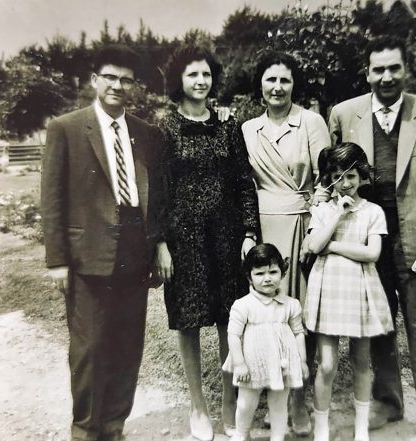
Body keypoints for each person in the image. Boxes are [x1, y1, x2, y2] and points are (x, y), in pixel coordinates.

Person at [328, 36, 416, 441]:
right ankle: (387, 403)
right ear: (367, 73)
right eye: (378, 69)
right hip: (368, 240)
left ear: (406, 70)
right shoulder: (344, 114)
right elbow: (336, 180)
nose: (386, 77)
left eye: (394, 68)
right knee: (376, 327)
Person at [41, 45, 158, 441]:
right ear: (94, 80)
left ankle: (114, 427)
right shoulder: (67, 128)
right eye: (110, 76)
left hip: (133, 252)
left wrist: (156, 247)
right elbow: (52, 198)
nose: (117, 85)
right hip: (86, 255)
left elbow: (155, 196)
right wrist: (57, 259)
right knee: (90, 352)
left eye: (126, 79)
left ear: (134, 86)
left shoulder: (145, 133)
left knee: (128, 347)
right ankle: (85, 431)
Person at [148, 45, 260, 441]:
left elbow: (244, 183)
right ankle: (198, 407)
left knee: (231, 321)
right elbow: (157, 192)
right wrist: (159, 243)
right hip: (184, 242)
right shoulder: (164, 129)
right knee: (190, 323)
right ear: (179, 80)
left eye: (207, 75)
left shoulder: (229, 127)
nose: (200, 81)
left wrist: (249, 233)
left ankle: (231, 409)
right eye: (193, 74)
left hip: (227, 239)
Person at [240, 50, 330, 434]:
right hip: (262, 231)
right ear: (260, 84)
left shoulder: (310, 121)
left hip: (301, 228)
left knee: (297, 316)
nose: (278, 87)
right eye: (271, 79)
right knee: (266, 317)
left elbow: (326, 181)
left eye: (285, 80)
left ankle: (298, 401)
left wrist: (315, 230)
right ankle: (269, 393)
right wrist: (247, 233)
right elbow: (244, 188)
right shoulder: (246, 130)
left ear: (295, 85)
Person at [304, 142, 394, 441]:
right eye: (338, 176)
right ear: (328, 178)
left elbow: (372, 254)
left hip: (359, 289)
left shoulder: (373, 212)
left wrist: (335, 246)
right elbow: (314, 246)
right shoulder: (321, 211)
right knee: (327, 364)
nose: (346, 183)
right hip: (328, 289)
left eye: (352, 176)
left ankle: (360, 427)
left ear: (362, 176)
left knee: (361, 361)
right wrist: (338, 216)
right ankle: (321, 427)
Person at [222, 243, 310, 441]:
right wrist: (240, 363)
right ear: (249, 277)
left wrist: (302, 360)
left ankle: (278, 437)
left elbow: (298, 333)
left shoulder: (291, 305)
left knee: (279, 404)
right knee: (246, 403)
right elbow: (233, 335)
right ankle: (242, 434)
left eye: (273, 271)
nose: (267, 278)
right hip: (251, 365)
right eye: (260, 273)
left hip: (282, 363)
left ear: (283, 272)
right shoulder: (243, 305)